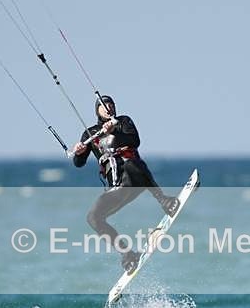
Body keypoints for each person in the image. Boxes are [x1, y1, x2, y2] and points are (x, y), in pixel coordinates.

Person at [72, 95, 179, 273]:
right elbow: (79, 163)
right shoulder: (90, 134)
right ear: (97, 110)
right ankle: (128, 254)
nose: (108, 108)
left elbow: (134, 141)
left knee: (132, 162)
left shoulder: (123, 121)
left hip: (135, 178)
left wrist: (114, 130)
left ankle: (164, 200)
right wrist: (79, 152)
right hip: (116, 188)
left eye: (111, 105)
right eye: (104, 106)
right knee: (93, 217)